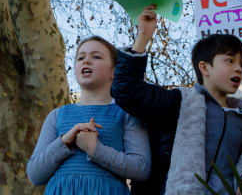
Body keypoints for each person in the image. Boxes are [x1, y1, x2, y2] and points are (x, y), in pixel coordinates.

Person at [111, 5, 242, 195]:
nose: (239, 68)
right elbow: (127, 91)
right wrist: (143, 36)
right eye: (230, 61)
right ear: (204, 68)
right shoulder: (179, 102)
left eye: (241, 64)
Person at [27, 36, 151, 194]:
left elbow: (141, 168)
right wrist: (65, 141)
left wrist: (95, 149)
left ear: (114, 70)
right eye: (80, 57)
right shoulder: (57, 115)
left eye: (96, 56)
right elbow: (35, 174)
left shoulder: (127, 113)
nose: (86, 61)